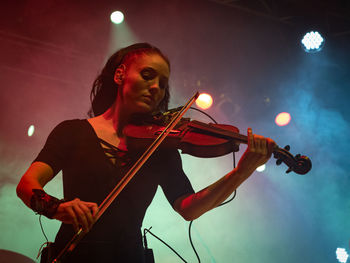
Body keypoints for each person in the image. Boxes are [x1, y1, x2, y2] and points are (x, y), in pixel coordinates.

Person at [16, 43, 276, 262]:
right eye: (148, 75)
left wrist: (241, 172)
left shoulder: (161, 146)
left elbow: (188, 208)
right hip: (72, 254)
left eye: (162, 84)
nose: (156, 88)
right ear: (120, 75)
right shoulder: (72, 131)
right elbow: (27, 184)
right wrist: (56, 207)